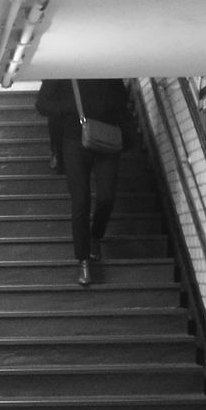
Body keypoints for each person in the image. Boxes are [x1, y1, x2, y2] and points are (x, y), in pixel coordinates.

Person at [35, 78, 134, 286]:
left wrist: (126, 132)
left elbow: (121, 100)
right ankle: (83, 261)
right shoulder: (65, 69)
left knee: (106, 197)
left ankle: (96, 236)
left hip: (106, 137)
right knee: (80, 201)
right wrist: (68, 107)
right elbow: (42, 104)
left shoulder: (107, 67)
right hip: (74, 140)